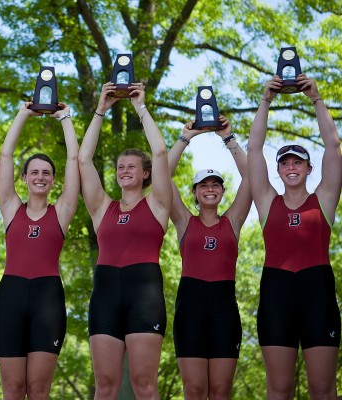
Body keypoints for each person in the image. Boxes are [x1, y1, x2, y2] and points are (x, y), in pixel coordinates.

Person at [247, 74, 341, 399]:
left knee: (322, 388)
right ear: (278, 170)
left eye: (297, 162)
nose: (291, 166)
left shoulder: (325, 199)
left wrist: (316, 97)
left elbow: (333, 145)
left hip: (318, 292)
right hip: (277, 292)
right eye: (284, 162)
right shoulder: (266, 201)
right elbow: (254, 148)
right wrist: (265, 100)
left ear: (308, 169)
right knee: (280, 388)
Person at [79, 82, 172, 399]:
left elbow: (160, 153)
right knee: (105, 385)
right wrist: (100, 110)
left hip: (144, 294)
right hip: (105, 293)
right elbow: (83, 160)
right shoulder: (102, 207)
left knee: (144, 384)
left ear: (146, 174)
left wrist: (140, 107)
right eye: (120, 167)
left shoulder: (158, 204)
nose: (124, 170)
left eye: (132, 166)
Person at [0, 102, 79, 399]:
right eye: (34, 172)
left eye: (46, 173)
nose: (40, 177)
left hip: (48, 301)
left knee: (39, 389)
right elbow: (4, 156)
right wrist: (22, 114)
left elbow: (74, 158)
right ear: (24, 178)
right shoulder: (11, 208)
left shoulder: (63, 211)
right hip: (10, 299)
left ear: (53, 180)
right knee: (13, 389)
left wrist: (65, 118)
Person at [167, 117, 252, 399]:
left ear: (222, 191)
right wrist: (185, 137)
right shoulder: (183, 221)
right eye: (204, 185)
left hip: (223, 308)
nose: (210, 188)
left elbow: (252, 177)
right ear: (194, 192)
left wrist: (229, 138)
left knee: (220, 390)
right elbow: (161, 178)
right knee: (194, 389)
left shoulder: (233, 222)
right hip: (190, 307)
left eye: (216, 184)